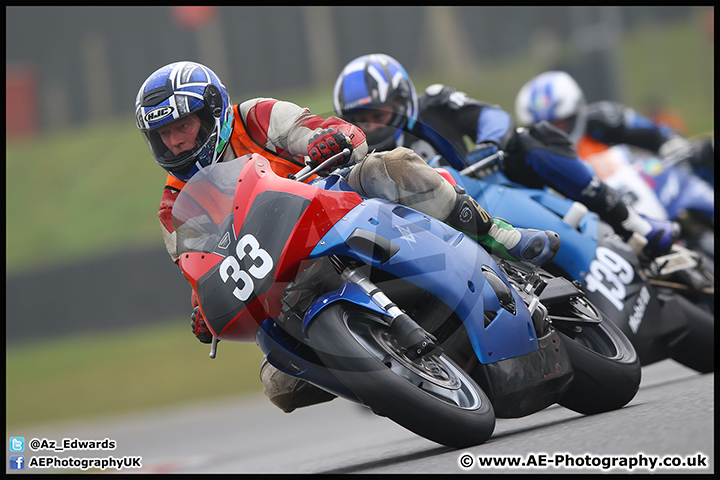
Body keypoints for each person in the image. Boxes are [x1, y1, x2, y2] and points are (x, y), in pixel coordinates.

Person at [135, 61, 560, 413]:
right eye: (163, 135)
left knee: (390, 166)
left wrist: (328, 140)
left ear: (212, 113)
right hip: (285, 277)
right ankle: (386, 374)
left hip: (332, 205)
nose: (175, 142)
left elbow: (332, 131)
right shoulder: (173, 207)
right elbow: (202, 270)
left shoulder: (257, 117)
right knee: (280, 385)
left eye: (183, 126)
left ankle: (497, 236)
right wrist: (203, 309)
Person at [332, 54, 682, 257]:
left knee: (532, 140)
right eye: (361, 119)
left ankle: (629, 221)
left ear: (403, 99)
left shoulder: (435, 102)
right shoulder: (360, 158)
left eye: (380, 114)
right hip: (435, 231)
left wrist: (489, 142)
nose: (374, 126)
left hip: (487, 182)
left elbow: (492, 116)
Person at [514, 70, 714, 186]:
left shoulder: (605, 119)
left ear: (577, 112)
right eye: (543, 127)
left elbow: (655, 134)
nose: (554, 131)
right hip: (610, 221)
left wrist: (670, 142)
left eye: (560, 122)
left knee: (705, 153)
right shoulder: (534, 160)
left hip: (651, 186)